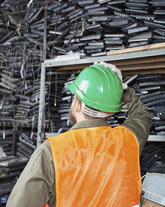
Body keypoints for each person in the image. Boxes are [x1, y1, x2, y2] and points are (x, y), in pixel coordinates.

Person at [6, 62, 152, 207]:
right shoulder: (128, 141)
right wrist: (120, 90)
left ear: (77, 104)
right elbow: (142, 116)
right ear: (111, 111)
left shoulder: (50, 152)